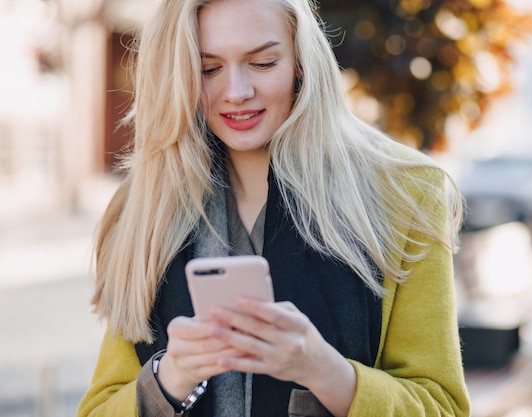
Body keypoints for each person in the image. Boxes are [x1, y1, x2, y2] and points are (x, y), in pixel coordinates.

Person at [76, 0, 470, 416]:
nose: (237, 92)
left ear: (301, 61)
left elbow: (442, 406)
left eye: (263, 63)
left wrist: (326, 372)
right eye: (209, 69)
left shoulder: (405, 193)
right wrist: (169, 378)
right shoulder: (144, 208)